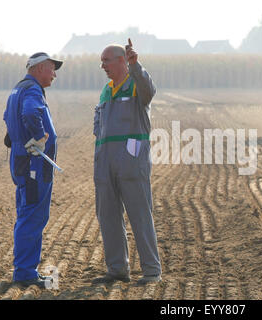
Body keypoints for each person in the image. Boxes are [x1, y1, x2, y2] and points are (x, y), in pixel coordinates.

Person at [93, 39, 162, 285]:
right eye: (101, 61)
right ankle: (117, 269)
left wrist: (137, 66)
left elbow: (149, 90)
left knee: (140, 214)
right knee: (108, 216)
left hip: (131, 161)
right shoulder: (106, 90)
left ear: (122, 60)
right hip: (105, 162)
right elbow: (98, 124)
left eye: (106, 60)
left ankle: (152, 271)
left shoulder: (135, 84)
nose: (102, 65)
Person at [3, 52, 63, 288]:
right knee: (32, 216)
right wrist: (39, 137)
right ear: (38, 68)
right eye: (52, 69)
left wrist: (16, 137)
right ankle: (25, 272)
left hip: (22, 160)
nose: (54, 74)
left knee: (28, 213)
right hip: (34, 163)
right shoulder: (33, 90)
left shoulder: (18, 88)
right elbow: (29, 113)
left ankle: (26, 270)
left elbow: (9, 117)